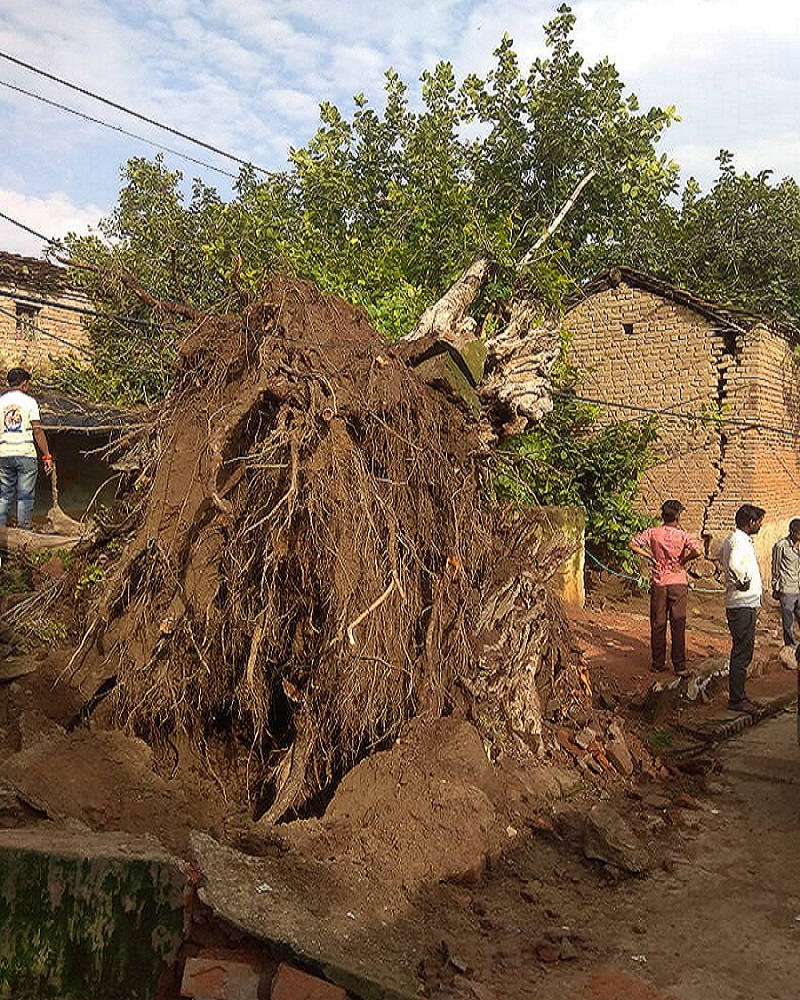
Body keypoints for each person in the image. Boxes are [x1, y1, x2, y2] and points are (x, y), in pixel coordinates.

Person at [630, 499, 703, 675]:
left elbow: (632, 543)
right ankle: (679, 665)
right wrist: (683, 561)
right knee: (678, 624)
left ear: (663, 516)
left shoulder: (653, 533)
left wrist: (649, 557)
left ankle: (658, 663)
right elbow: (698, 550)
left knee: (658, 623)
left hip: (659, 582)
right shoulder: (683, 536)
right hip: (678, 582)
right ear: (677, 517)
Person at [719, 503, 766, 715]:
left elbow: (721, 556)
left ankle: (740, 695)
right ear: (751, 522)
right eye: (759, 522)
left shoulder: (734, 539)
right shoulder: (739, 541)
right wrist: (743, 579)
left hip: (743, 603)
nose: (760, 525)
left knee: (744, 650)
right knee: (742, 652)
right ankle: (736, 699)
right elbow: (732, 562)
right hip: (741, 603)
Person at [0, 367, 53, 529]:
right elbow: (37, 431)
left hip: (4, 453)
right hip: (26, 454)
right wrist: (47, 456)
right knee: (25, 496)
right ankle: (23, 533)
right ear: (24, 384)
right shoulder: (30, 402)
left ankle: (0, 530)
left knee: (4, 496)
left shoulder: (1, 402)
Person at [770, 518, 800, 647]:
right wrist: (775, 586)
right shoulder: (780, 546)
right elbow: (775, 568)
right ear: (791, 532)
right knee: (788, 621)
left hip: (798, 587)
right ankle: (790, 646)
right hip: (787, 588)